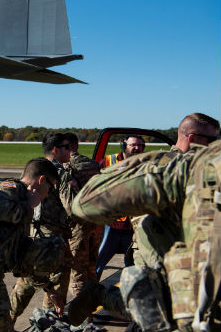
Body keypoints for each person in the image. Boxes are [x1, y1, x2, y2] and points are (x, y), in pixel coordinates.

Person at [70, 138, 221, 332]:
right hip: (134, 236)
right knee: (161, 304)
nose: (137, 148)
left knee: (157, 305)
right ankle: (100, 295)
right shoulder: (187, 168)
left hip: (135, 235)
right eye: (207, 139)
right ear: (190, 138)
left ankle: (102, 296)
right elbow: (87, 201)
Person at [0, 157, 65, 332]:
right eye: (50, 187)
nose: (48, 193)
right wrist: (30, 206)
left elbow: (21, 259)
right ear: (41, 180)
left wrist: (49, 288)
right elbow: (1, 210)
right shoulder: (11, 188)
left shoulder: (22, 198)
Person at [130, 113, 220, 269]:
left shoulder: (150, 162)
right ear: (192, 139)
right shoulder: (173, 168)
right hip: (158, 254)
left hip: (165, 252)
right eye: (211, 140)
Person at [9, 133, 72, 328]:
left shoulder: (32, 170)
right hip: (52, 242)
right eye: (67, 147)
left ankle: (7, 319)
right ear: (56, 149)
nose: (71, 151)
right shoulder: (59, 174)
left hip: (33, 237)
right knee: (54, 296)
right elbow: (71, 207)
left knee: (23, 285)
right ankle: (48, 323)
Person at [95, 134, 146, 278]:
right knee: (98, 262)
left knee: (133, 263)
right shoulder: (108, 161)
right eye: (133, 145)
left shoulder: (144, 163)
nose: (136, 148)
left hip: (133, 225)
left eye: (139, 145)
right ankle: (89, 293)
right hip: (111, 224)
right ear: (124, 145)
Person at [60, 133, 102, 301]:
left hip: (78, 226)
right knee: (92, 267)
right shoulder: (92, 165)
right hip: (96, 223)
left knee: (77, 271)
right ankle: (92, 305)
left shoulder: (67, 168)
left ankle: (84, 316)